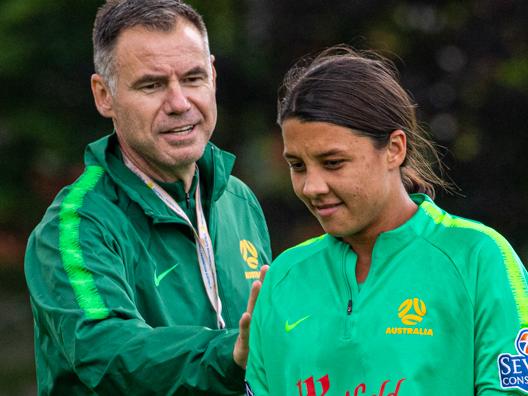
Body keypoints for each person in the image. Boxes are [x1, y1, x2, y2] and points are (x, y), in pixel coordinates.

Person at [245, 46, 528, 396]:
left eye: (333, 162)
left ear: (394, 149)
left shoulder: (479, 259)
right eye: (297, 165)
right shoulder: (283, 279)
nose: (312, 186)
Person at [24, 1, 271, 394]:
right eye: (152, 85)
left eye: (193, 78)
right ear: (104, 95)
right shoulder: (73, 227)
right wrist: (232, 354)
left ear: (214, 78)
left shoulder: (238, 201)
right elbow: (107, 350)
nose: (179, 103)